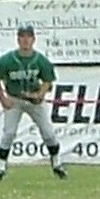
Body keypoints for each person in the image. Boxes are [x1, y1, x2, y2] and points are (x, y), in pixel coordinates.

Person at [0, 24, 67, 181]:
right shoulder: (7, 60)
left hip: (34, 101)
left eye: (28, 36)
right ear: (18, 39)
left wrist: (40, 94)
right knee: (8, 133)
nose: (25, 40)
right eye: (22, 36)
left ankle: (56, 163)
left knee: (48, 133)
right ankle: (1, 166)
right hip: (15, 99)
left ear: (33, 39)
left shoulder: (40, 60)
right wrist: (3, 98)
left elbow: (48, 80)